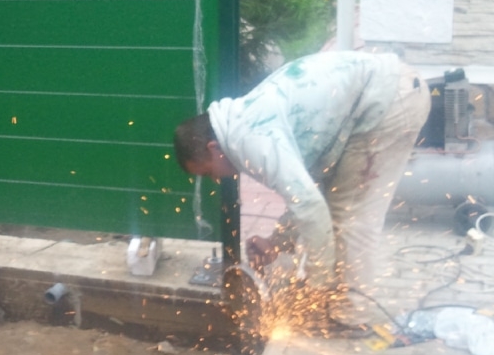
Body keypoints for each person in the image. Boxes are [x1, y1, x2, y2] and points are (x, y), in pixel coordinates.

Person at [173, 51, 431, 327]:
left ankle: (351, 316)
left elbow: (311, 206)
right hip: (381, 96)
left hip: (389, 100)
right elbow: (309, 190)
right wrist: (277, 242)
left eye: (209, 172)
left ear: (213, 148)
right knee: (337, 206)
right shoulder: (241, 122)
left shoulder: (250, 141)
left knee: (351, 216)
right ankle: (336, 300)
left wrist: (317, 286)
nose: (215, 179)